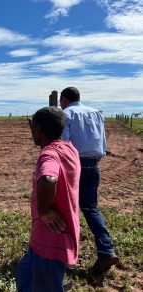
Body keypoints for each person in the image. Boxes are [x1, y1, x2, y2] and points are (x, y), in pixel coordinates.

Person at [16, 107, 81, 292]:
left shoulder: (49, 155)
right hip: (47, 236)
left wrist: (44, 211)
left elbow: (48, 178)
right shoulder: (70, 149)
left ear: (39, 130)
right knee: (24, 273)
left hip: (51, 240)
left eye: (33, 128)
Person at [60, 87, 119, 273]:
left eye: (61, 101)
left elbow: (64, 143)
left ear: (64, 99)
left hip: (74, 165)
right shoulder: (96, 114)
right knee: (91, 208)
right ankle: (106, 250)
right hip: (94, 165)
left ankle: (61, 253)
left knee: (65, 208)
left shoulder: (66, 114)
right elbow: (102, 142)